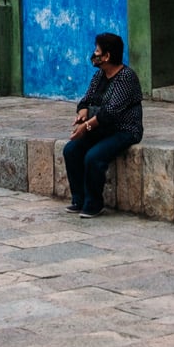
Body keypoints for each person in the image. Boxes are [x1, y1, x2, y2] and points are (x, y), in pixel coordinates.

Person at [62, 32, 144, 218]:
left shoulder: (126, 77)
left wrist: (86, 128)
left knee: (94, 157)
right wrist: (82, 112)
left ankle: (94, 204)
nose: (94, 54)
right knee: (71, 150)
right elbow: (86, 100)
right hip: (101, 129)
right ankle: (79, 199)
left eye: (97, 51)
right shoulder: (99, 76)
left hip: (123, 130)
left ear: (107, 56)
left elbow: (110, 113)